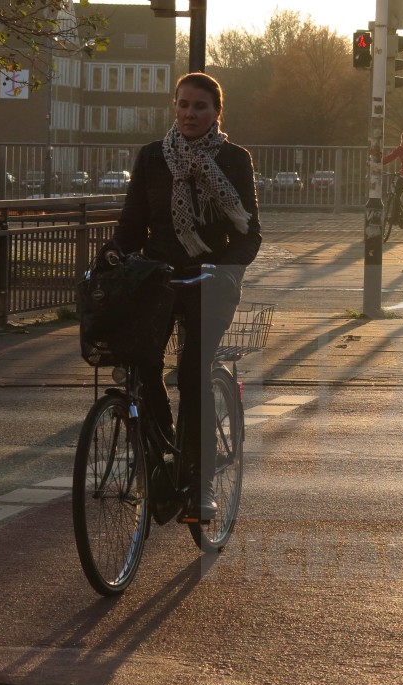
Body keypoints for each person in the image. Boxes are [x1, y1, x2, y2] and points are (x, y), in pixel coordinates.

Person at [105, 72, 261, 523]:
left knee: (193, 371)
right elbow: (133, 227)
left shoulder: (234, 159)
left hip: (210, 279)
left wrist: (225, 270)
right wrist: (113, 256)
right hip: (160, 277)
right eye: (183, 105)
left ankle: (203, 478)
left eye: (200, 107)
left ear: (216, 113)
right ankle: (161, 462)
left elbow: (249, 232)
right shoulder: (154, 157)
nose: (189, 114)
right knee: (141, 363)